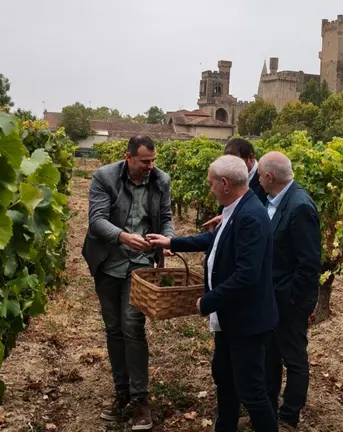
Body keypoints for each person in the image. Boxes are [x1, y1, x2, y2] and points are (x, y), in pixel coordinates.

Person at [146, 155, 279, 432]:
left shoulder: (250, 217)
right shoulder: (237, 209)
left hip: (247, 323)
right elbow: (214, 240)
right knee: (225, 380)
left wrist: (207, 301)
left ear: (225, 183)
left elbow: (247, 276)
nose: (210, 189)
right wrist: (171, 241)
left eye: (211, 184)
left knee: (252, 392)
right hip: (231, 320)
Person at [81, 135, 175, 430]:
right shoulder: (104, 177)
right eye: (145, 161)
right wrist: (123, 236)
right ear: (129, 157)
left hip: (141, 266)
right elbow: (96, 221)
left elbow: (166, 217)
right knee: (114, 330)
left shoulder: (161, 180)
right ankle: (121, 393)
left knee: (132, 327)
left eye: (153, 160)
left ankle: (140, 401)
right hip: (109, 262)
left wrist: (168, 239)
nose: (150, 166)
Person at [257, 151, 321, 431]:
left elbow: (309, 264)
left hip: (290, 300)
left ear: (269, 177)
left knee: (294, 357)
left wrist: (292, 298)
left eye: (259, 175)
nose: (257, 180)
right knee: (270, 354)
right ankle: (269, 412)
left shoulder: (300, 207)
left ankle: (289, 417)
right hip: (272, 297)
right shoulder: (273, 201)